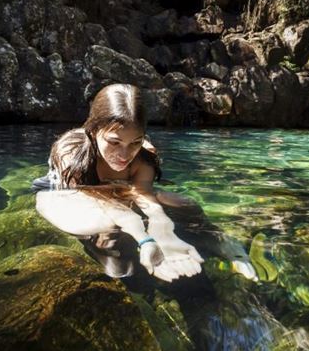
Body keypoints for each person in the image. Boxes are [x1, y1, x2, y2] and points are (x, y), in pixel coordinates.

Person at [34, 83, 205, 282]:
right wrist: (145, 239)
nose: (124, 155)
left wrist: (165, 232)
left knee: (183, 204)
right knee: (105, 224)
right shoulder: (72, 153)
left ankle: (224, 245)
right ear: (93, 130)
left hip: (119, 194)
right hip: (69, 194)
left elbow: (144, 194)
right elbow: (96, 198)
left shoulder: (143, 157)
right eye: (114, 142)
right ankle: (108, 261)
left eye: (135, 142)